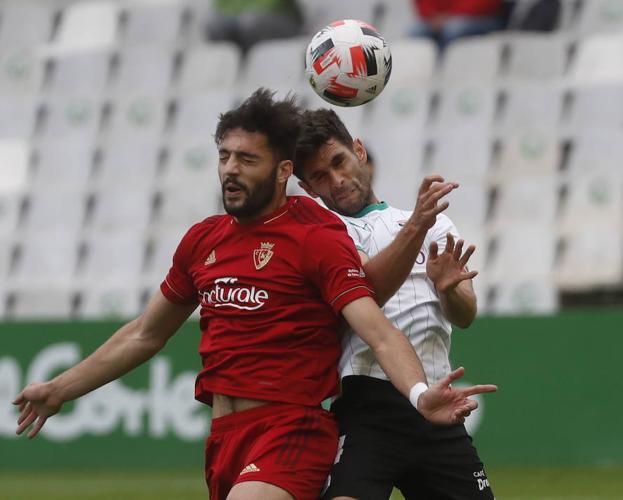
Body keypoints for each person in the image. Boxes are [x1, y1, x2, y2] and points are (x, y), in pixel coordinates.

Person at [13, 89, 496, 500]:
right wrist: (60, 389)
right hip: (225, 438)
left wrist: (416, 394)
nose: (230, 170)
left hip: (291, 432)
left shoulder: (319, 234)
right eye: (224, 156)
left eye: (247, 159)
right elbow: (144, 334)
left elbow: (379, 329)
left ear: (283, 170)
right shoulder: (204, 239)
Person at [294, 108, 495, 499]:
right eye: (320, 176)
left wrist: (451, 288)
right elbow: (368, 289)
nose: (336, 181)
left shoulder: (432, 222)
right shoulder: (324, 234)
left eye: (339, 162)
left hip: (438, 399)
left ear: (359, 150)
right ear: (307, 188)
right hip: (369, 401)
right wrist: (418, 225)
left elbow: (466, 315)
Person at [205, 0, 303, 54]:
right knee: (214, 24)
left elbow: (270, 5)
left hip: (284, 19)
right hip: (242, 24)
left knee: (249, 20)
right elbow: (221, 8)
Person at [410, 0, 504, 50]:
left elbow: (485, 3)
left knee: (454, 28)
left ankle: (445, 68)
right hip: (442, 19)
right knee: (416, 31)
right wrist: (433, 16)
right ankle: (419, 72)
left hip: (483, 18)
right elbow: (423, 3)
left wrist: (451, 16)